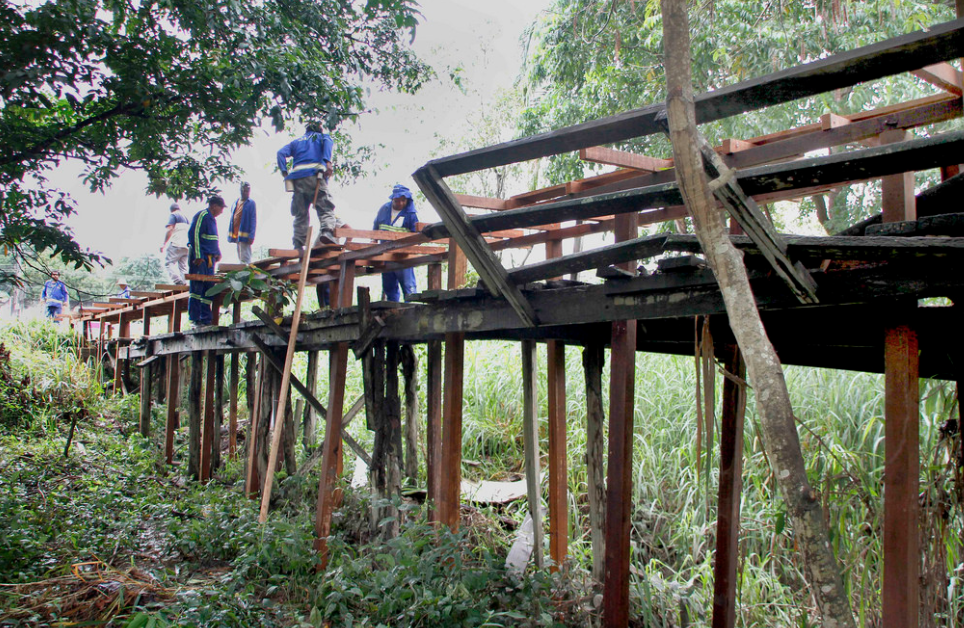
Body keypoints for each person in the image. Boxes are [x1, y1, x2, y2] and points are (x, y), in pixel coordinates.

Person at [277, 122, 337, 251]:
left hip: (297, 180)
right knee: (325, 207)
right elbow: (328, 142)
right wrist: (328, 162)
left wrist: (284, 172)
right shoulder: (322, 137)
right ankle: (327, 232)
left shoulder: (296, 142)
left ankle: (298, 244)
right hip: (315, 176)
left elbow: (280, 153)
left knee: (301, 213)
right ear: (320, 129)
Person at [373, 184, 418, 301]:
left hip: (403, 256)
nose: (400, 203)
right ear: (393, 199)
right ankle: (392, 312)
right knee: (389, 287)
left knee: (409, 286)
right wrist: (374, 243)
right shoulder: (384, 209)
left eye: (403, 200)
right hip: (386, 255)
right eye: (397, 200)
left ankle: (412, 309)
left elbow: (417, 236)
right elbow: (375, 228)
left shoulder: (411, 214)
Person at [187, 196, 225, 326]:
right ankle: (195, 319)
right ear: (214, 206)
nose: (221, 211)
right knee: (197, 288)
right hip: (200, 258)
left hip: (210, 259)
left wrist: (217, 253)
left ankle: (205, 318)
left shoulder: (212, 220)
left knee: (208, 289)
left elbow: (213, 239)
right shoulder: (202, 215)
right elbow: (193, 235)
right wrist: (198, 255)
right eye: (221, 208)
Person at [227, 181, 257, 263]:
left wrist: (251, 235)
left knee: (245, 257)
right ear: (241, 190)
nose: (246, 193)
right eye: (244, 190)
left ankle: (246, 272)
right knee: (240, 255)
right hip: (236, 234)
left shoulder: (251, 203)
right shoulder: (235, 202)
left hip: (245, 235)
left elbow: (253, 219)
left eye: (248, 191)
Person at [160, 202, 190, 285]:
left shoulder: (173, 215)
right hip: (186, 246)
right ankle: (185, 283)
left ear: (171, 210)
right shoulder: (186, 218)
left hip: (176, 244)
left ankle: (177, 281)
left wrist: (164, 244)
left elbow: (170, 229)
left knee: (168, 263)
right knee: (183, 267)